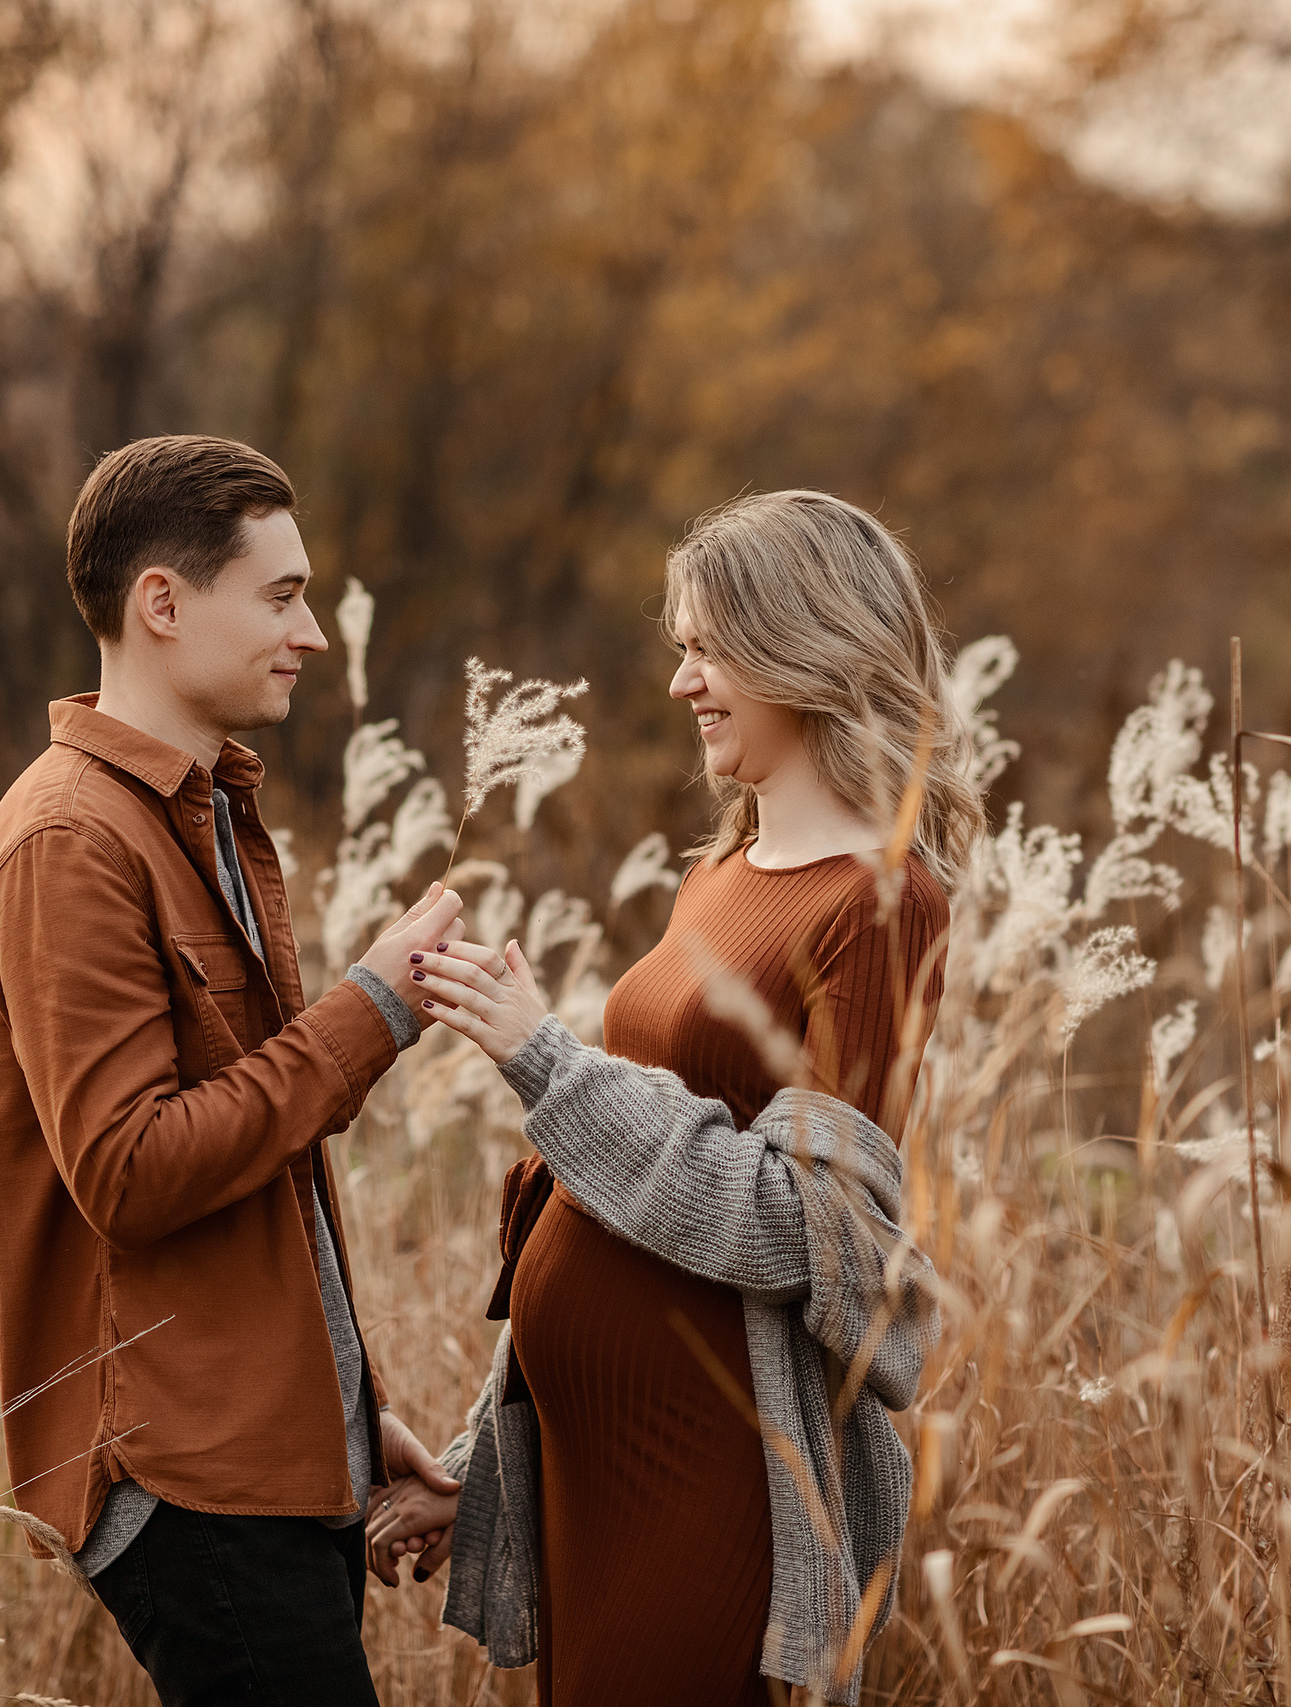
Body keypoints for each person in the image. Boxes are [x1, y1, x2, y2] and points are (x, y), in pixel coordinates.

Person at [366, 490, 983, 1705]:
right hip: (591, 1476)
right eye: (682, 650)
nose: (681, 682)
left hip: (704, 1478)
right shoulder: (718, 873)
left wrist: (548, 1060)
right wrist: (478, 1466)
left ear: (795, 646)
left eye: (705, 650)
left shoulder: (881, 904)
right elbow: (617, 1197)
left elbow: (822, 1237)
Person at [0, 435, 462, 1706]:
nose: (314, 633)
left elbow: (252, 1165)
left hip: (262, 1445)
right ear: (162, 605)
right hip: (186, 1473)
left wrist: (343, 1407)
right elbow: (132, 1171)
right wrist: (372, 1014)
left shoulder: (201, 808)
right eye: (281, 598)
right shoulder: (70, 843)